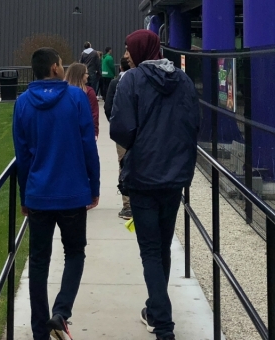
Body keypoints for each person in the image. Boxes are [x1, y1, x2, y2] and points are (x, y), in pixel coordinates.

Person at [109, 30, 199, 340]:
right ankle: (155, 306)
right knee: (162, 246)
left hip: (144, 177)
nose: (127, 54)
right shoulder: (184, 81)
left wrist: (138, 145)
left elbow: (121, 127)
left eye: (129, 48)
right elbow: (194, 124)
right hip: (175, 177)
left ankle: (163, 325)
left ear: (138, 50)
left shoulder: (131, 81)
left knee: (150, 251)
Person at [13, 48, 101, 340]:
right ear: (54, 68)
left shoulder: (23, 103)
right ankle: (61, 312)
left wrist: (25, 195)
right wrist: (95, 186)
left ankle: (40, 330)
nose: (63, 68)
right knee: (75, 253)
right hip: (73, 192)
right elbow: (89, 145)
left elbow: (22, 156)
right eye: (61, 64)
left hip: (39, 194)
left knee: (39, 260)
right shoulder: (76, 98)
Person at [103, 54, 134, 219]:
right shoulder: (140, 81)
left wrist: (115, 125)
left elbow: (108, 108)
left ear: (120, 68)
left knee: (124, 164)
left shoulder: (116, 83)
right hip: (140, 131)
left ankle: (128, 204)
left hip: (123, 131)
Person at [64, 62, 99, 138]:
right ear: (80, 75)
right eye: (86, 73)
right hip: (83, 133)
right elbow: (94, 114)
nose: (88, 75)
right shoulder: (89, 92)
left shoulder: (62, 91)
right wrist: (95, 132)